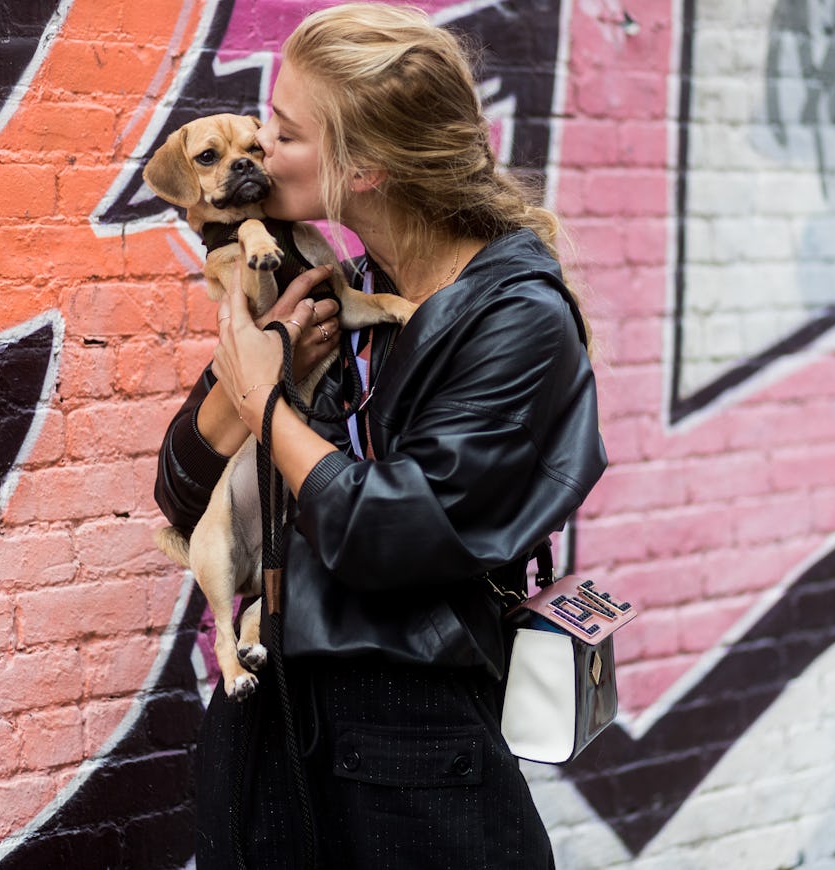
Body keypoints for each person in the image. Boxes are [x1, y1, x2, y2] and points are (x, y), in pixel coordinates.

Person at [153, 4, 606, 867]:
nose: (258, 155)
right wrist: (246, 385)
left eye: (282, 134)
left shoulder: (514, 320)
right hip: (269, 728)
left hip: (412, 750)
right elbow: (179, 491)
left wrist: (267, 408)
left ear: (365, 167)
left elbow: (389, 532)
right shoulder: (329, 285)